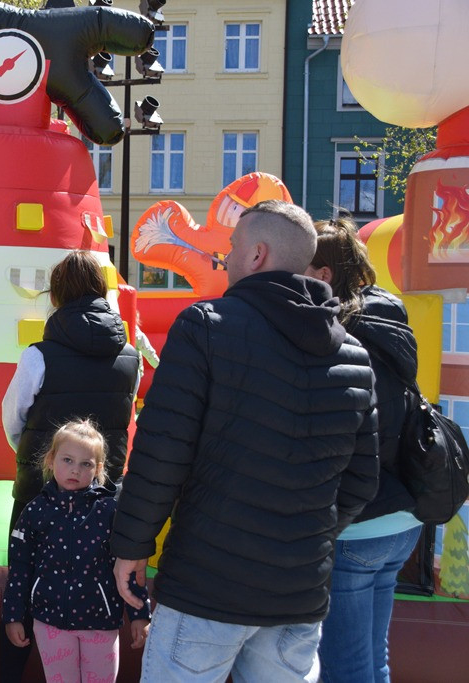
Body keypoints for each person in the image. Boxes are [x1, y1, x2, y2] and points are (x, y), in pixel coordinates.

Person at [110, 199, 380, 682]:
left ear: (256, 255)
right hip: (298, 591)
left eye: (231, 248)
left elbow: (160, 453)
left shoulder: (206, 328)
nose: (224, 258)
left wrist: (132, 547)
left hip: (206, 586)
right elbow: (361, 481)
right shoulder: (354, 355)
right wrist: (298, 533)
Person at [0, 249, 139, 680]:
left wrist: (39, 460)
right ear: (101, 290)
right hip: (102, 495)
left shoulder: (39, 355)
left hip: (42, 489)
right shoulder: (129, 355)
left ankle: (11, 669)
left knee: (22, 577)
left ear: (55, 295)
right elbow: (124, 419)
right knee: (101, 576)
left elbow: (12, 418)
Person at [305, 217, 421, 683]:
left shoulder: (337, 335)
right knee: (374, 659)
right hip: (404, 518)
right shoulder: (392, 323)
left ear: (325, 274)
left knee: (344, 667)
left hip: (358, 523)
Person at [2, 419, 150, 683]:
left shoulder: (108, 512)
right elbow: (20, 568)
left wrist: (139, 614)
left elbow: (128, 566)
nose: (75, 470)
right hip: (51, 622)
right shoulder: (36, 512)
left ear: (98, 469)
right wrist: (13, 616)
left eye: (86, 464)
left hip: (100, 621)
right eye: (67, 460)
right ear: (51, 460)